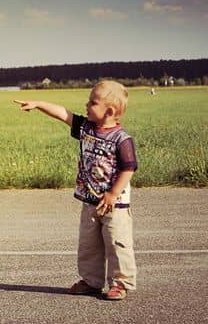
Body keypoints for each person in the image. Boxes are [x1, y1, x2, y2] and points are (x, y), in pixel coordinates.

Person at [14, 80, 137, 300]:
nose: (87, 104)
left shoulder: (121, 139)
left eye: (93, 102)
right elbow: (63, 114)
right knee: (89, 244)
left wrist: (113, 193)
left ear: (109, 111)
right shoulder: (86, 128)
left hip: (114, 204)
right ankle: (91, 281)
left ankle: (120, 283)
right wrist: (38, 103)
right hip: (90, 201)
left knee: (117, 242)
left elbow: (129, 168)